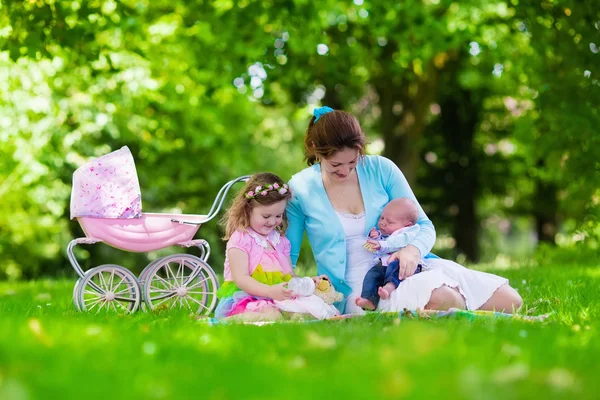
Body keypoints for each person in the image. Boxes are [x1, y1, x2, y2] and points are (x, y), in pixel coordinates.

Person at [286, 106, 523, 315]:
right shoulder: (301, 188)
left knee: (511, 301)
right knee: (446, 297)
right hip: (364, 286)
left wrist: (413, 250)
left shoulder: (381, 169)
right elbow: (287, 255)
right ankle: (438, 302)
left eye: (353, 162)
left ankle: (442, 299)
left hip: (406, 264)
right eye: (336, 165)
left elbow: (425, 226)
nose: (345, 171)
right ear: (315, 148)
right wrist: (277, 288)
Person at [215, 172, 339, 321]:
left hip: (276, 297)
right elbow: (241, 278)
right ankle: (228, 321)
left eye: (278, 216)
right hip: (247, 298)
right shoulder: (241, 239)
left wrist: (307, 283)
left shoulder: (280, 241)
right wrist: (268, 291)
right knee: (272, 315)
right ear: (248, 210)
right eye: (266, 216)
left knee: (314, 308)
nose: (272, 221)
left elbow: (289, 277)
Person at [355, 198, 423, 311]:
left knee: (395, 269)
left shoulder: (409, 232)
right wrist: (376, 238)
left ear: (407, 225)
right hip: (384, 264)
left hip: (403, 263)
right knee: (372, 275)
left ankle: (389, 288)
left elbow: (397, 242)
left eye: (390, 222)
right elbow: (384, 243)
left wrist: (382, 244)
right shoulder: (388, 234)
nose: (382, 223)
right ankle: (369, 300)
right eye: (382, 218)